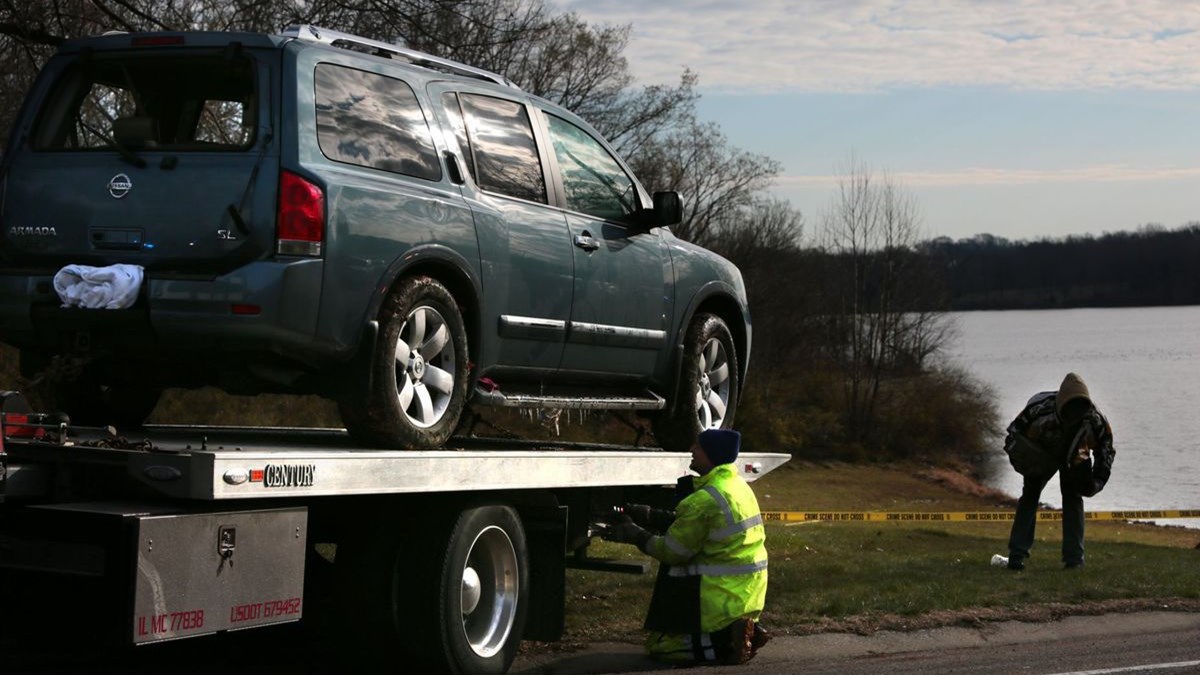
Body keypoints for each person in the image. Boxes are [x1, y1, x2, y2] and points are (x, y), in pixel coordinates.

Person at [603, 428, 769, 665]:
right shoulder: (736, 487)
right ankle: (743, 630)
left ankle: (725, 644)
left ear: (712, 454)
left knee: (661, 647)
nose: (692, 450)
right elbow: (703, 527)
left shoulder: (705, 500)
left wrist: (635, 534)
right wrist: (650, 516)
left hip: (717, 601)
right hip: (744, 595)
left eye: (698, 447)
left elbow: (671, 552)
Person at [998, 372, 1116, 570]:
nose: (1075, 416)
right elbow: (1013, 436)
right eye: (1071, 411)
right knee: (1030, 496)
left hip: (1075, 455)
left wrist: (1097, 481)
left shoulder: (1094, 419)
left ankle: (1074, 559)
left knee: (1073, 497)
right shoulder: (1038, 410)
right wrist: (1025, 462)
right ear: (1061, 405)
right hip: (1040, 453)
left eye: (1079, 411)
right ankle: (1017, 555)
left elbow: (1106, 447)